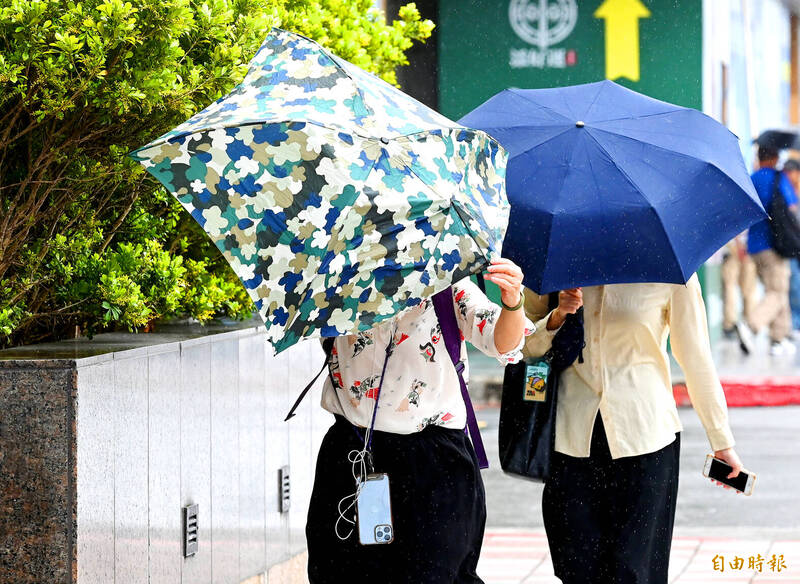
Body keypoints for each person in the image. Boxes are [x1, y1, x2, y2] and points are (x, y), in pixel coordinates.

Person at [306, 257, 534, 583]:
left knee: (436, 573)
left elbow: (503, 344)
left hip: (434, 459)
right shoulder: (336, 280)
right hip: (353, 452)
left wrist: (513, 302)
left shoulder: (445, 285)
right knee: (339, 572)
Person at [523, 278, 745, 584]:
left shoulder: (668, 268)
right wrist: (558, 316)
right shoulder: (556, 263)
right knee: (577, 566)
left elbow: (696, 356)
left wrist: (721, 440)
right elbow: (522, 348)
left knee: (636, 570)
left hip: (646, 439)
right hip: (570, 438)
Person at [736, 145, 798, 355]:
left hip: (755, 246)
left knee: (777, 289)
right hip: (774, 245)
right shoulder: (778, 179)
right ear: (773, 158)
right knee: (777, 292)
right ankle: (750, 326)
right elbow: (791, 208)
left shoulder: (751, 179)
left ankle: (778, 339)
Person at [721, 233, 756, 338]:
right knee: (748, 291)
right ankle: (748, 324)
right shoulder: (753, 216)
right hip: (748, 250)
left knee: (730, 288)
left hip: (732, 248)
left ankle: (730, 325)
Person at [781, 158, 800, 338]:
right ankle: (794, 323)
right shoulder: (785, 190)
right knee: (793, 284)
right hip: (792, 245)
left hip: (795, 243)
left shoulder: (793, 192)